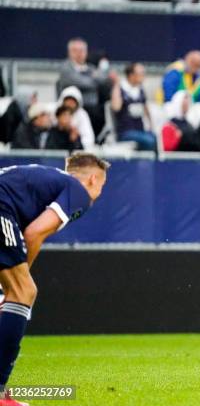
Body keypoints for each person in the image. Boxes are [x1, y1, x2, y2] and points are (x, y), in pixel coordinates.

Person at [0, 153, 108, 406]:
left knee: (16, 291)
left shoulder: (49, 181)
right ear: (92, 179)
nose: (99, 193)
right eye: (102, 186)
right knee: (23, 292)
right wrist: (18, 283)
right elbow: (34, 233)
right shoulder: (78, 192)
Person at [56, 38, 113, 136]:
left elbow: (104, 80)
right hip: (71, 109)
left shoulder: (90, 67)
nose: (79, 54)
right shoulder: (65, 68)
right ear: (69, 52)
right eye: (75, 51)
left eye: (82, 50)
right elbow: (82, 83)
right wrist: (95, 79)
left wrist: (96, 77)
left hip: (94, 110)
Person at [110, 63, 156, 151]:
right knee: (149, 141)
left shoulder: (140, 90)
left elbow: (146, 109)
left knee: (154, 138)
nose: (143, 76)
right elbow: (116, 107)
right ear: (131, 75)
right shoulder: (121, 89)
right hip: (125, 131)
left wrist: (151, 126)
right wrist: (116, 84)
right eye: (140, 73)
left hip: (140, 130)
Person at [57, 86, 95, 151]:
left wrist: (77, 141)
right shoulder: (55, 110)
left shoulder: (82, 115)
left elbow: (89, 139)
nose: (70, 104)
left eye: (73, 101)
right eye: (68, 100)